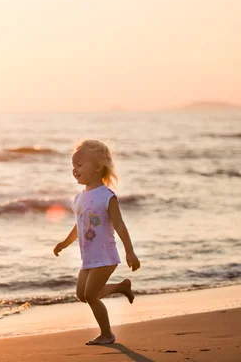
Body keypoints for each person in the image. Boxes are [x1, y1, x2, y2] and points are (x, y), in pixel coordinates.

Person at [53, 139, 141, 345]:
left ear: (97, 167)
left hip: (105, 255)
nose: (75, 169)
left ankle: (107, 334)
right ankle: (121, 287)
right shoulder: (79, 197)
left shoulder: (107, 196)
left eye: (80, 165)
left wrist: (130, 252)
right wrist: (65, 243)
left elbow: (119, 225)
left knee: (91, 296)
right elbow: (79, 225)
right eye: (73, 165)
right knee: (82, 295)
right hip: (89, 256)